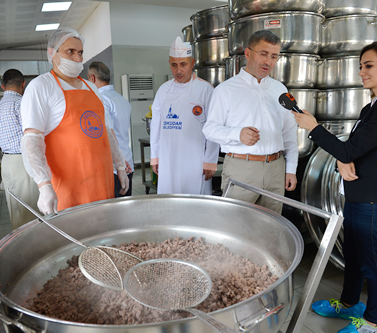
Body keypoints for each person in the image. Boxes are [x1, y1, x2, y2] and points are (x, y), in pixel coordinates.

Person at [293, 39, 377, 333]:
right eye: (360, 66)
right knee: (354, 257)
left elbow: (350, 150)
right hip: (359, 196)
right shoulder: (371, 107)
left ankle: (373, 323)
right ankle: (350, 305)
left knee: (373, 267)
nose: (361, 72)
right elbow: (356, 150)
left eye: (369, 65)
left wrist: (313, 127)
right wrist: (342, 161)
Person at [20, 27, 128, 215]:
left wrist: (119, 164)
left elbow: (105, 131)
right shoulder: (41, 87)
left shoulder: (92, 88)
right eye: (70, 52)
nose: (78, 58)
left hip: (103, 184)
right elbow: (32, 140)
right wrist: (43, 184)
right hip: (69, 189)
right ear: (52, 53)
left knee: (105, 233)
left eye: (80, 53)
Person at [202, 30, 298, 214]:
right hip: (241, 168)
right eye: (263, 54)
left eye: (274, 56)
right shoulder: (226, 90)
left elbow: (289, 131)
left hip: (276, 168)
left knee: (272, 225)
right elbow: (209, 129)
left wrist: (291, 169)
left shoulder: (280, 89)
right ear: (248, 53)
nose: (268, 61)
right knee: (236, 223)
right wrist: (237, 134)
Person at [149, 36, 219, 195]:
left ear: (192, 63)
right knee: (169, 200)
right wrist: (155, 157)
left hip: (195, 161)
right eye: (174, 65)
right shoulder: (163, 90)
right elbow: (156, 126)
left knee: (195, 204)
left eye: (183, 64)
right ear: (169, 64)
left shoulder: (205, 89)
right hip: (168, 159)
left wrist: (210, 161)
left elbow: (214, 127)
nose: (178, 71)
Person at [0, 69, 40, 229]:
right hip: (23, 162)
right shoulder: (22, 104)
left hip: (6, 162)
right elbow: (33, 136)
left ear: (3, 86)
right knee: (31, 211)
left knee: (15, 211)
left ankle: (20, 247)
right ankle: (33, 250)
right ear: (23, 84)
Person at [87, 61, 134, 197]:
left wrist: (119, 163)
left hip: (115, 167)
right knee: (125, 209)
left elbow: (110, 134)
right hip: (128, 160)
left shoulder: (100, 99)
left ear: (92, 78)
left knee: (114, 213)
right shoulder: (122, 99)